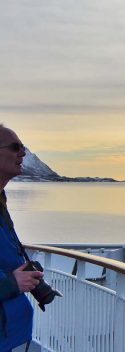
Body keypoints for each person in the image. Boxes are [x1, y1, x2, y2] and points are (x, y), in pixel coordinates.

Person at [0, 124, 44, 352]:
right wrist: (11, 282)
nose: (23, 153)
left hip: (13, 333)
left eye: (23, 147)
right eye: (15, 147)